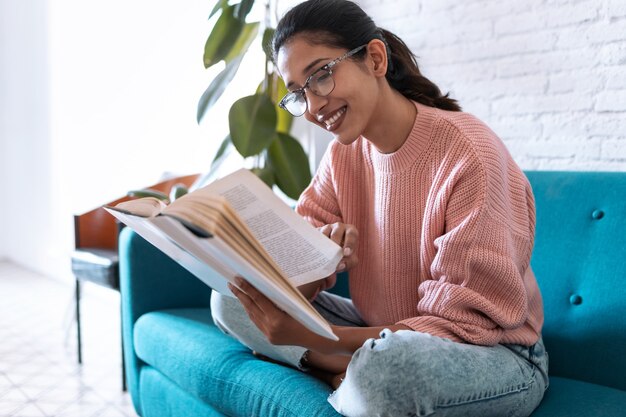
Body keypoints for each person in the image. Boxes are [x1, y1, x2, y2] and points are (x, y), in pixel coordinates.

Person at [211, 0, 549, 415]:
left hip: (494, 354)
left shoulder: (468, 155)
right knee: (232, 298)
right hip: (383, 332)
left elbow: (463, 328)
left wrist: (319, 338)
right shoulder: (342, 157)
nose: (314, 108)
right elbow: (287, 273)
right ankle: (350, 371)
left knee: (388, 370)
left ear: (374, 58)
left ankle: (351, 372)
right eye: (298, 93)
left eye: (320, 76)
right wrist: (317, 267)